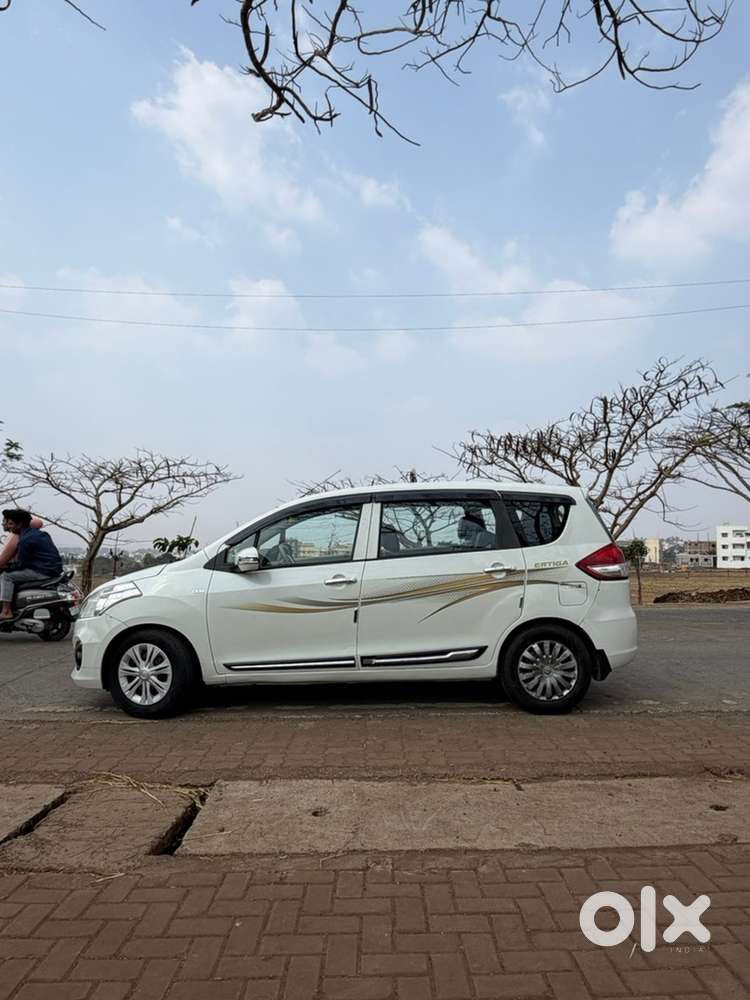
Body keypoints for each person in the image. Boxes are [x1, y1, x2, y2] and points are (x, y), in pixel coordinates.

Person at [0, 510, 63, 619]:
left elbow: (22, 564)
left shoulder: (25, 540)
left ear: (19, 524)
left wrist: (7, 567)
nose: (9, 527)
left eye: (11, 524)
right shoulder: (40, 534)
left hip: (43, 571)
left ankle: (6, 611)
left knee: (6, 576)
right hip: (52, 569)